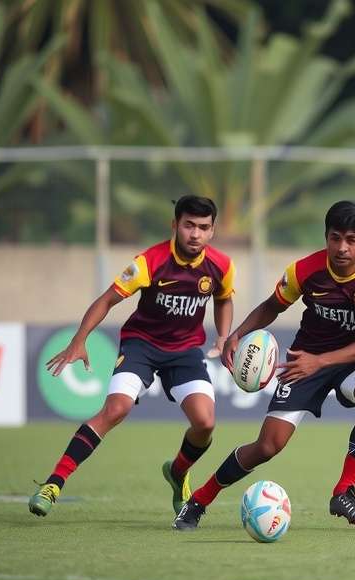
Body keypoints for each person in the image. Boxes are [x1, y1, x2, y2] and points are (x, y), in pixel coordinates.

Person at [172, 201, 355, 530]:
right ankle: (199, 500)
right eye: (335, 238)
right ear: (326, 237)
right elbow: (272, 306)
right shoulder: (304, 270)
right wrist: (236, 334)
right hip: (304, 360)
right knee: (268, 446)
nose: (342, 248)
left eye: (351, 239)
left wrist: (318, 362)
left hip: (353, 360)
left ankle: (344, 490)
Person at [29, 195, 236, 518]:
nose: (195, 234)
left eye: (203, 228)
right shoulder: (148, 262)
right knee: (116, 408)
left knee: (205, 422)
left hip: (184, 351)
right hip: (142, 345)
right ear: (175, 225)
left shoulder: (222, 266)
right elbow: (106, 300)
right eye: (189, 226)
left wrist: (223, 336)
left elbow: (223, 298)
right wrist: (79, 340)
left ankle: (178, 471)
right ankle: (53, 484)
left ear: (212, 231)